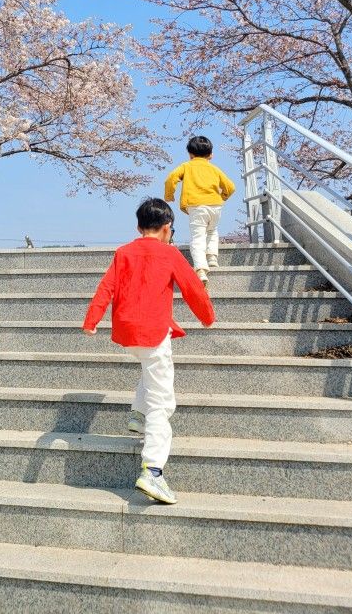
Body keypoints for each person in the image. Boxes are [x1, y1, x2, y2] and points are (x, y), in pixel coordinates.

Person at [81, 198, 215, 504]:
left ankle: (138, 416)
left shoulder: (123, 251)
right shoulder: (168, 253)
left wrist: (92, 320)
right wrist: (207, 317)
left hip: (128, 333)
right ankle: (153, 471)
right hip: (153, 333)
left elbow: (106, 287)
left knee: (150, 371)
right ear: (167, 228)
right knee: (163, 402)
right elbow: (193, 287)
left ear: (139, 227)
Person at [164, 135, 236, 284]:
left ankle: (201, 269)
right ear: (211, 155)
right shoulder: (214, 169)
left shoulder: (186, 166)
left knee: (198, 236)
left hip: (196, 206)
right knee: (212, 231)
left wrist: (169, 195)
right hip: (215, 206)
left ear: (190, 154)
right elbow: (230, 187)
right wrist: (223, 197)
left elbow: (171, 179)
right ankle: (212, 258)